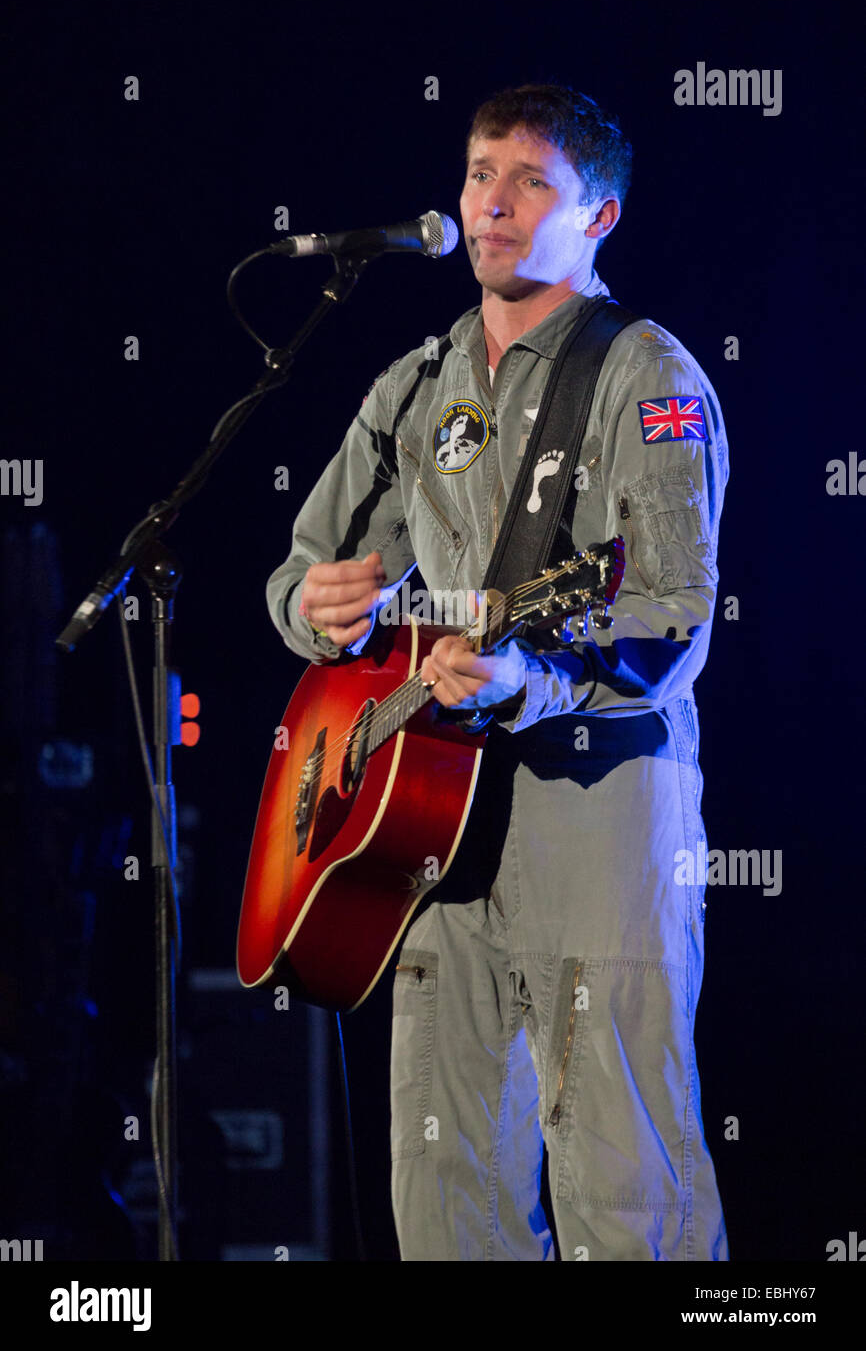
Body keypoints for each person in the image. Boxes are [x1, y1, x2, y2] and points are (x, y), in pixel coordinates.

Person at [266, 83, 730, 1261]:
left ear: (600, 214)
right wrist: (313, 610)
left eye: (532, 182)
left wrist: (536, 678)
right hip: (427, 824)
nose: (495, 205)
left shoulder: (647, 374)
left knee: (623, 1191)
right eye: (480, 174)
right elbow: (306, 573)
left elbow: (669, 616)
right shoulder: (416, 383)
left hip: (597, 815)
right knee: (444, 1193)